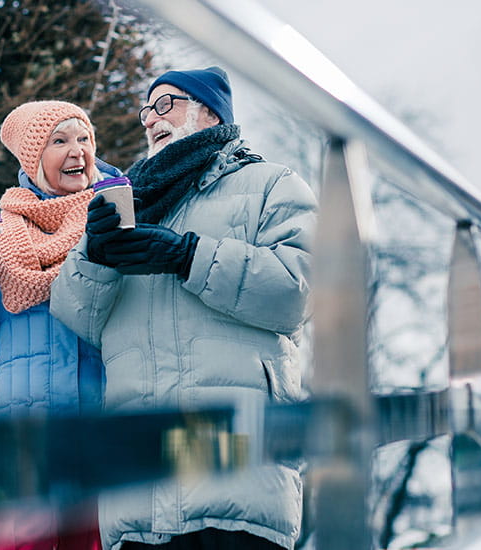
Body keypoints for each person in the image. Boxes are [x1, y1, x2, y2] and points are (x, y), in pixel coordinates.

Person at [50, 67, 318, 550]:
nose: (151, 119)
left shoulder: (271, 184)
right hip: (136, 498)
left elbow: (298, 292)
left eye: (166, 104)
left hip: (238, 484)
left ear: (209, 110)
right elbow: (77, 318)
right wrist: (95, 255)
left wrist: (188, 255)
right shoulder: (124, 205)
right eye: (146, 110)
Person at [0, 100, 122, 550]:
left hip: (97, 435)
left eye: (84, 138)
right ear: (31, 157)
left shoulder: (114, 215)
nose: (77, 150)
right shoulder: (1, 233)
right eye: (59, 140)